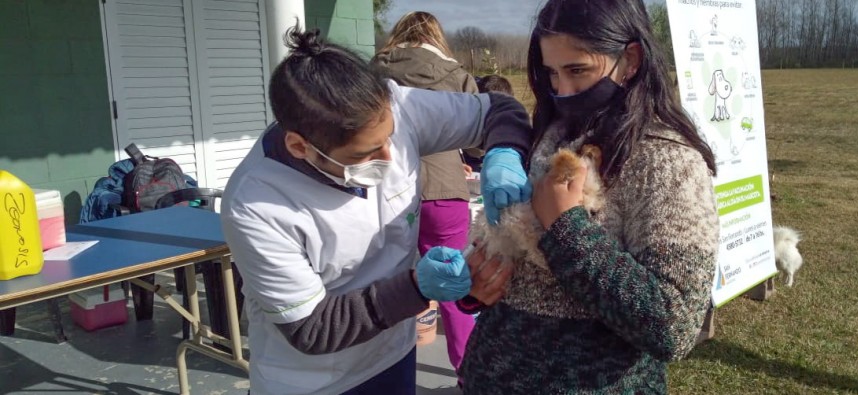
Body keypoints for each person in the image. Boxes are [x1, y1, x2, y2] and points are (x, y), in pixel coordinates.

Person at [220, 24, 531, 395]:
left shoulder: (398, 107)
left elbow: (500, 109)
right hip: (315, 380)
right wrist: (417, 287)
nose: (389, 156)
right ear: (300, 146)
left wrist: (504, 152)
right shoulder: (255, 205)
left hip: (394, 354)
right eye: (363, 154)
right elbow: (311, 329)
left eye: (389, 139)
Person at [459, 0, 720, 393]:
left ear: (630, 60)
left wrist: (565, 228)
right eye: (551, 74)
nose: (562, 90)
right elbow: (528, 277)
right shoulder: (554, 133)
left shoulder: (667, 161)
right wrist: (478, 288)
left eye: (577, 70)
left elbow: (674, 325)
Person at [370, 11, 478, 384]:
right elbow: (477, 136)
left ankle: (383, 375)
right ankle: (468, 374)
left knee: (386, 285)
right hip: (443, 189)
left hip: (384, 189)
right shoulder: (455, 74)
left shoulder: (374, 71)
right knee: (453, 285)